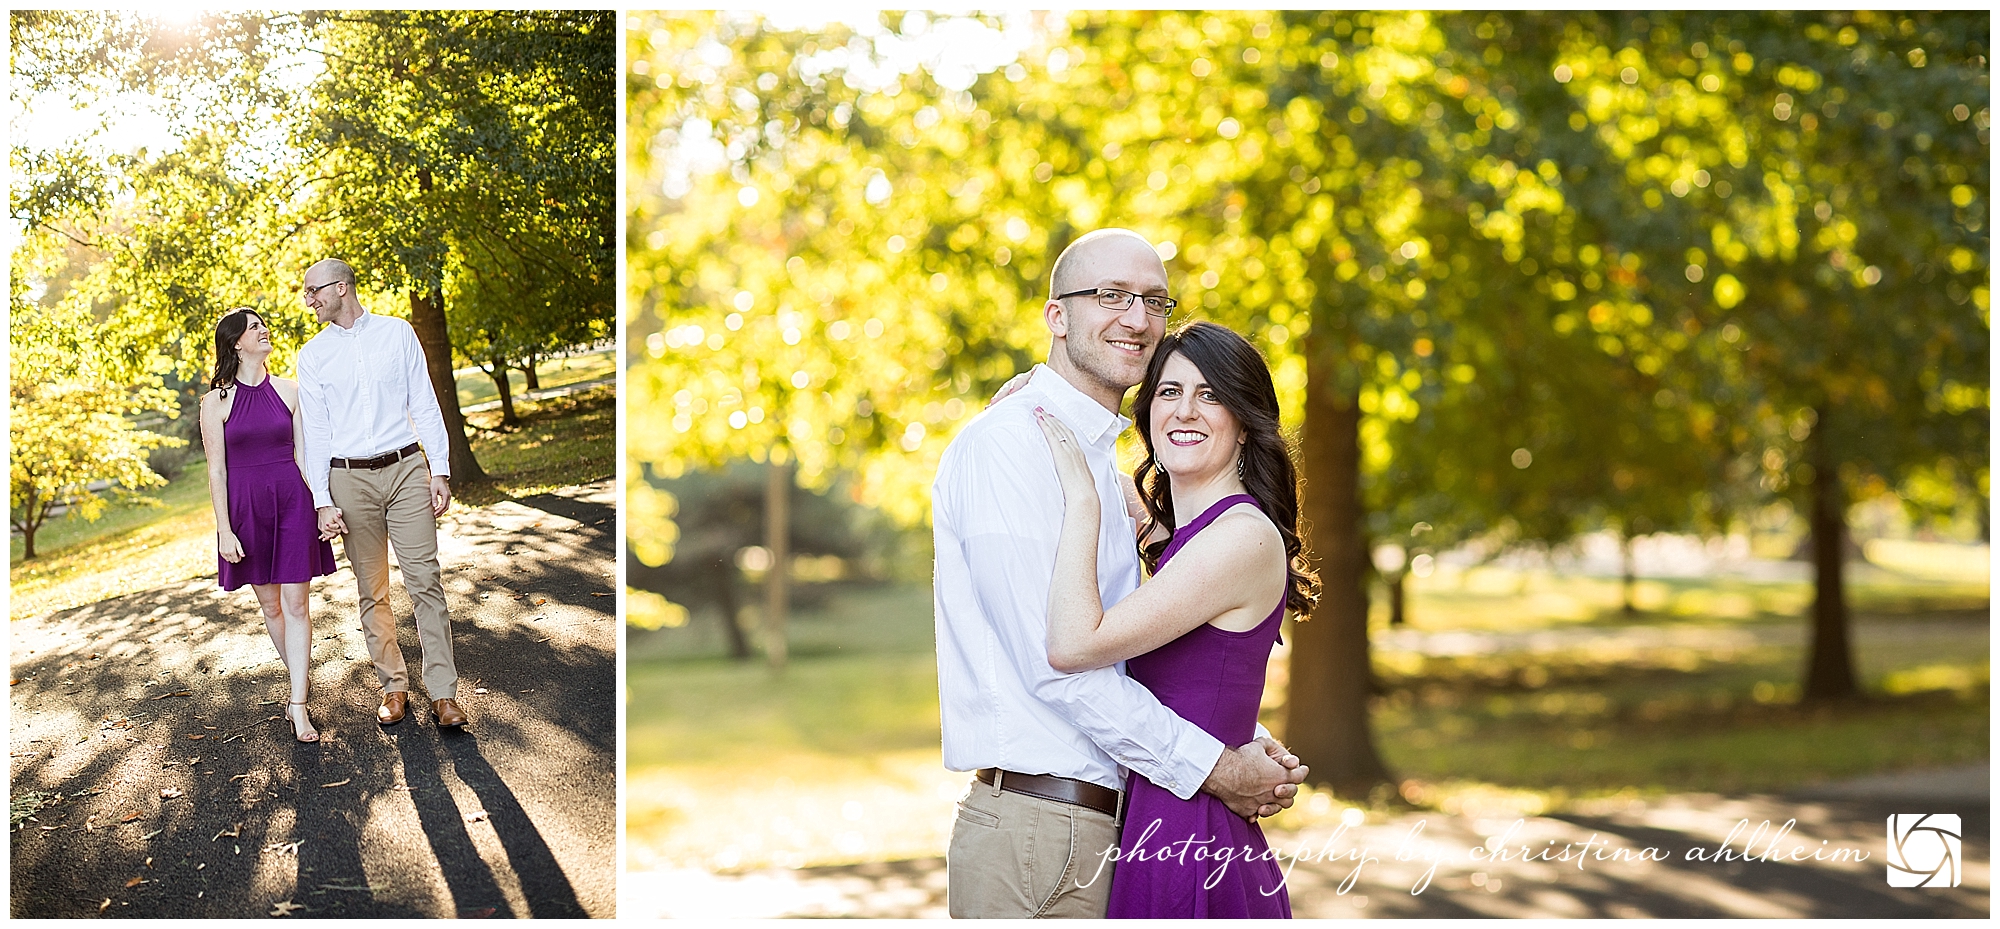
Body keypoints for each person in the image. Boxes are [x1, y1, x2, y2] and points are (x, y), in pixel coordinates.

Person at [933, 229, 1308, 918]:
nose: (1136, 317)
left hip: (1125, 824)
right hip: (1040, 830)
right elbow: (1061, 664)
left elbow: (1158, 649)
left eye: (1153, 300)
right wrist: (1222, 764)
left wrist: (1232, 734)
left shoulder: (1096, 465)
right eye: (1110, 295)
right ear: (1056, 316)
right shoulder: (1015, 448)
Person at [1035, 320, 1316, 917]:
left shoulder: (1239, 539)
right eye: (1169, 391)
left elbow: (1073, 645)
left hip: (1193, 839)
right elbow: (1155, 530)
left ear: (1244, 423)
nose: (1186, 410)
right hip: (1161, 821)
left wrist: (1083, 499)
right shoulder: (1195, 538)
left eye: (1210, 395)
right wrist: (1033, 404)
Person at [295, 258, 467, 729]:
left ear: (343, 287)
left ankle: (443, 693)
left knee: (425, 582)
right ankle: (394, 686)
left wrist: (440, 469)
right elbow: (317, 432)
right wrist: (323, 500)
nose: (308, 300)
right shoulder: (312, 355)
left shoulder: (397, 333)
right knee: (372, 591)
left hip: (406, 468)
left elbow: (425, 403)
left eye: (314, 291)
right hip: (348, 480)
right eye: (306, 292)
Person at [199, 308, 340, 743]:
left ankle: (298, 703)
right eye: (254, 327)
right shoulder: (215, 402)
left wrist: (322, 505)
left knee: (297, 606)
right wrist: (224, 529)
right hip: (246, 510)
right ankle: (300, 681)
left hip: (292, 503)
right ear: (236, 343)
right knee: (272, 607)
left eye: (264, 325)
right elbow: (217, 472)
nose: (264, 331)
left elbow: (304, 454)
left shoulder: (289, 391)